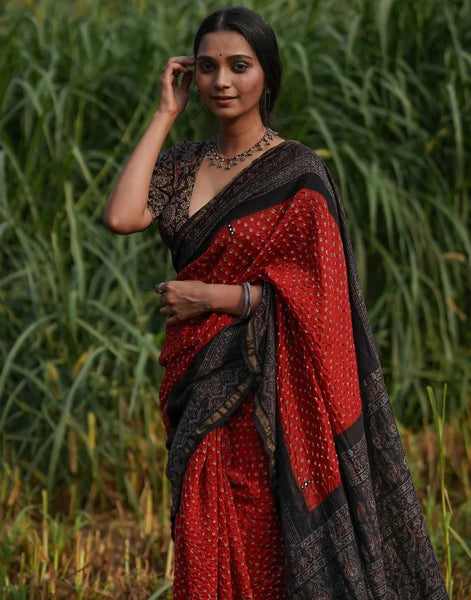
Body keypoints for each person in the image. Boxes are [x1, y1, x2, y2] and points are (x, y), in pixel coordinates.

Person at [104, 7, 448, 599]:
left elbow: (324, 299)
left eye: (240, 66)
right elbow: (121, 216)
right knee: (203, 533)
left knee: (264, 538)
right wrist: (165, 114)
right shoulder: (183, 164)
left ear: (268, 73)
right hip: (200, 383)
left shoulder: (298, 173)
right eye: (207, 67)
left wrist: (219, 296)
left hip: (271, 391)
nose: (222, 82)